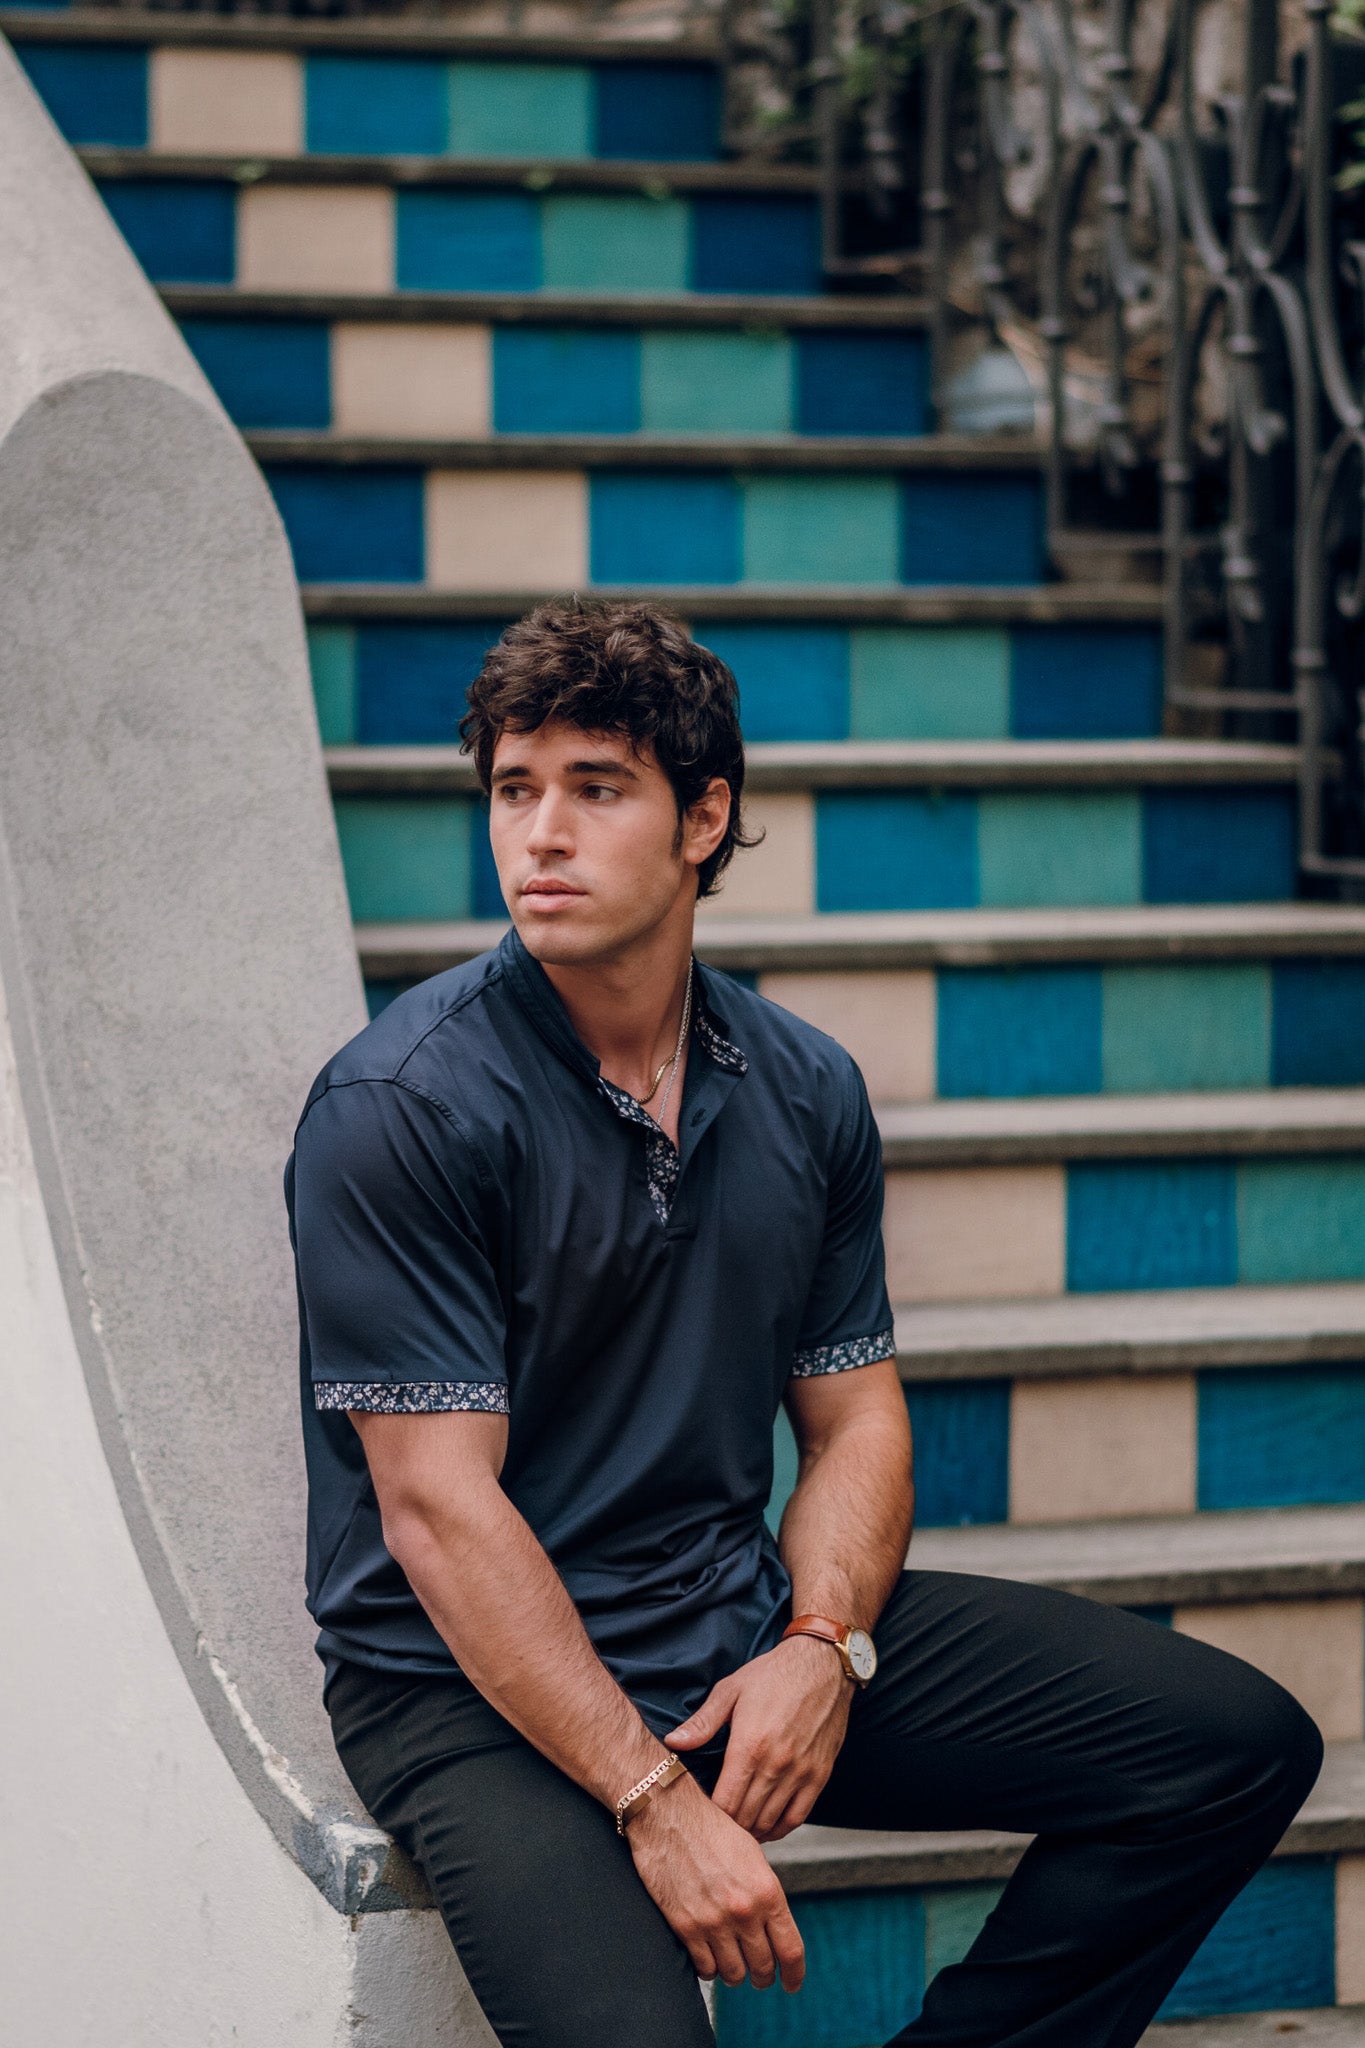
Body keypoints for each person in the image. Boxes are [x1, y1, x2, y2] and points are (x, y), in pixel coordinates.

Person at [286, 598, 1322, 2048]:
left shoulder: (801, 1085)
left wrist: (823, 1645)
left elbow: (855, 1421)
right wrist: (655, 1802)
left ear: (703, 818)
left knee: (1229, 1750)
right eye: (514, 790)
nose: (541, 835)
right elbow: (438, 1513)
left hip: (722, 1618)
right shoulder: (401, 1106)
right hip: (463, 1687)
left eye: (597, 789)